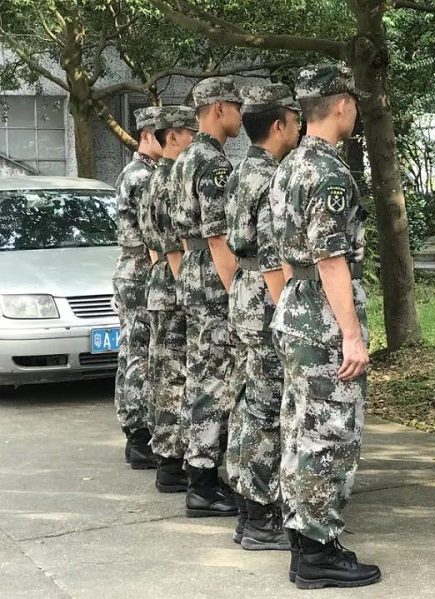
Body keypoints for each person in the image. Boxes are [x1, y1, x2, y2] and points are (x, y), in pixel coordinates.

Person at [268, 64, 380, 589]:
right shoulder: (329, 172)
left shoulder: (289, 166)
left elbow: (285, 253)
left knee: (299, 429)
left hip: (296, 304)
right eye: (353, 103)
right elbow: (331, 258)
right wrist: (351, 335)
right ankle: (317, 552)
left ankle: (304, 543)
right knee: (328, 434)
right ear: (341, 104)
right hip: (322, 313)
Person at [224, 83, 301, 551]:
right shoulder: (272, 177)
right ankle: (260, 517)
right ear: (278, 126)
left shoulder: (240, 170)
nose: (300, 128)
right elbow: (274, 259)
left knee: (250, 402)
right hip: (266, 296)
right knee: (268, 409)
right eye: (294, 120)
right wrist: (287, 313)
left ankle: (247, 511)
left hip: (243, 292)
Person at [170, 77, 242, 518]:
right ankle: (203, 483)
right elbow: (218, 238)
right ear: (218, 108)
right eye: (236, 106)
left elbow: (184, 232)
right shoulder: (214, 163)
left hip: (194, 271)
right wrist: (236, 293)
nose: (240, 114)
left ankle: (199, 473)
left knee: (200, 373)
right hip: (214, 277)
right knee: (214, 379)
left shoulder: (183, 159)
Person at [139, 105, 198, 493]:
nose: (194, 139)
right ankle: (171, 463)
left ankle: (167, 458)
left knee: (165, 372)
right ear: (172, 136)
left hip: (161, 286)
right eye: (189, 132)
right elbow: (174, 248)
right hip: (174, 290)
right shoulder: (168, 180)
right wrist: (187, 292)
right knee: (174, 377)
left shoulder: (155, 178)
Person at [113, 106, 162, 469]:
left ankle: (134, 433)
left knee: (131, 349)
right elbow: (153, 235)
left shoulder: (134, 171)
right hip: (141, 270)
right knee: (141, 353)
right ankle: (140, 435)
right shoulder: (143, 177)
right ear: (146, 135)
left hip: (131, 269)